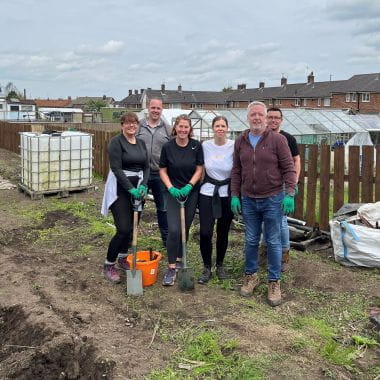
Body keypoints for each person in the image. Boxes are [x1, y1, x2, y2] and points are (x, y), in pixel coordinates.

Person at [230, 101, 296, 306]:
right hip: (249, 199)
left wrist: (290, 194)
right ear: (247, 117)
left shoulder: (278, 140)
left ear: (266, 117)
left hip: (273, 198)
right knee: (250, 239)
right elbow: (236, 170)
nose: (257, 118)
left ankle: (274, 281)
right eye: (253, 115)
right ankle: (251, 276)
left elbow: (289, 168)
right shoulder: (240, 140)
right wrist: (234, 195)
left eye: (260, 114)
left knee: (274, 240)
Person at [101, 112, 149, 283]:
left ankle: (122, 258)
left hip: (138, 188)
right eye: (128, 123)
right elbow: (116, 168)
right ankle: (109, 265)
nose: (131, 126)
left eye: (134, 123)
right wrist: (130, 189)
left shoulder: (141, 143)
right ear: (122, 125)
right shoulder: (116, 142)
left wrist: (143, 185)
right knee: (122, 228)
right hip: (120, 190)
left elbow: (147, 167)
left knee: (132, 229)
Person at [159, 115, 204, 286]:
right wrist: (171, 188)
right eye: (180, 126)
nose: (183, 130)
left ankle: (179, 259)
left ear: (190, 129)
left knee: (185, 229)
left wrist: (189, 186)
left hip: (190, 193)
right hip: (172, 193)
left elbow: (199, 169)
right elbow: (162, 170)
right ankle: (171, 268)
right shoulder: (168, 147)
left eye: (186, 127)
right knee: (174, 229)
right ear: (175, 128)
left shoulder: (196, 146)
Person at [260, 107, 301, 272]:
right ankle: (264, 250)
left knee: (281, 220)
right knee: (264, 217)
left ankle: (284, 254)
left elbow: (296, 161)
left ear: (281, 120)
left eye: (276, 118)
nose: (273, 121)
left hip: (283, 185)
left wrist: (294, 183)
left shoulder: (288, 138)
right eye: (270, 117)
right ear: (265, 119)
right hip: (264, 184)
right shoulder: (260, 137)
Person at [198, 116, 234, 284]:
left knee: (223, 232)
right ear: (213, 128)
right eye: (217, 125)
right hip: (207, 192)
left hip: (227, 194)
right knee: (205, 232)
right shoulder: (205, 145)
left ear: (227, 128)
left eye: (223, 125)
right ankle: (206, 266)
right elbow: (197, 166)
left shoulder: (234, 145)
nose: (220, 128)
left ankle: (219, 264)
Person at [137, 99, 171, 245]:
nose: (155, 110)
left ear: (162, 110)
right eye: (153, 108)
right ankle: (131, 238)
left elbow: (173, 148)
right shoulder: (139, 126)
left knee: (163, 208)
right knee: (137, 206)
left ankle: (166, 239)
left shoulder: (167, 128)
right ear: (148, 109)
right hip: (140, 173)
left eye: (158, 108)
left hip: (160, 173)